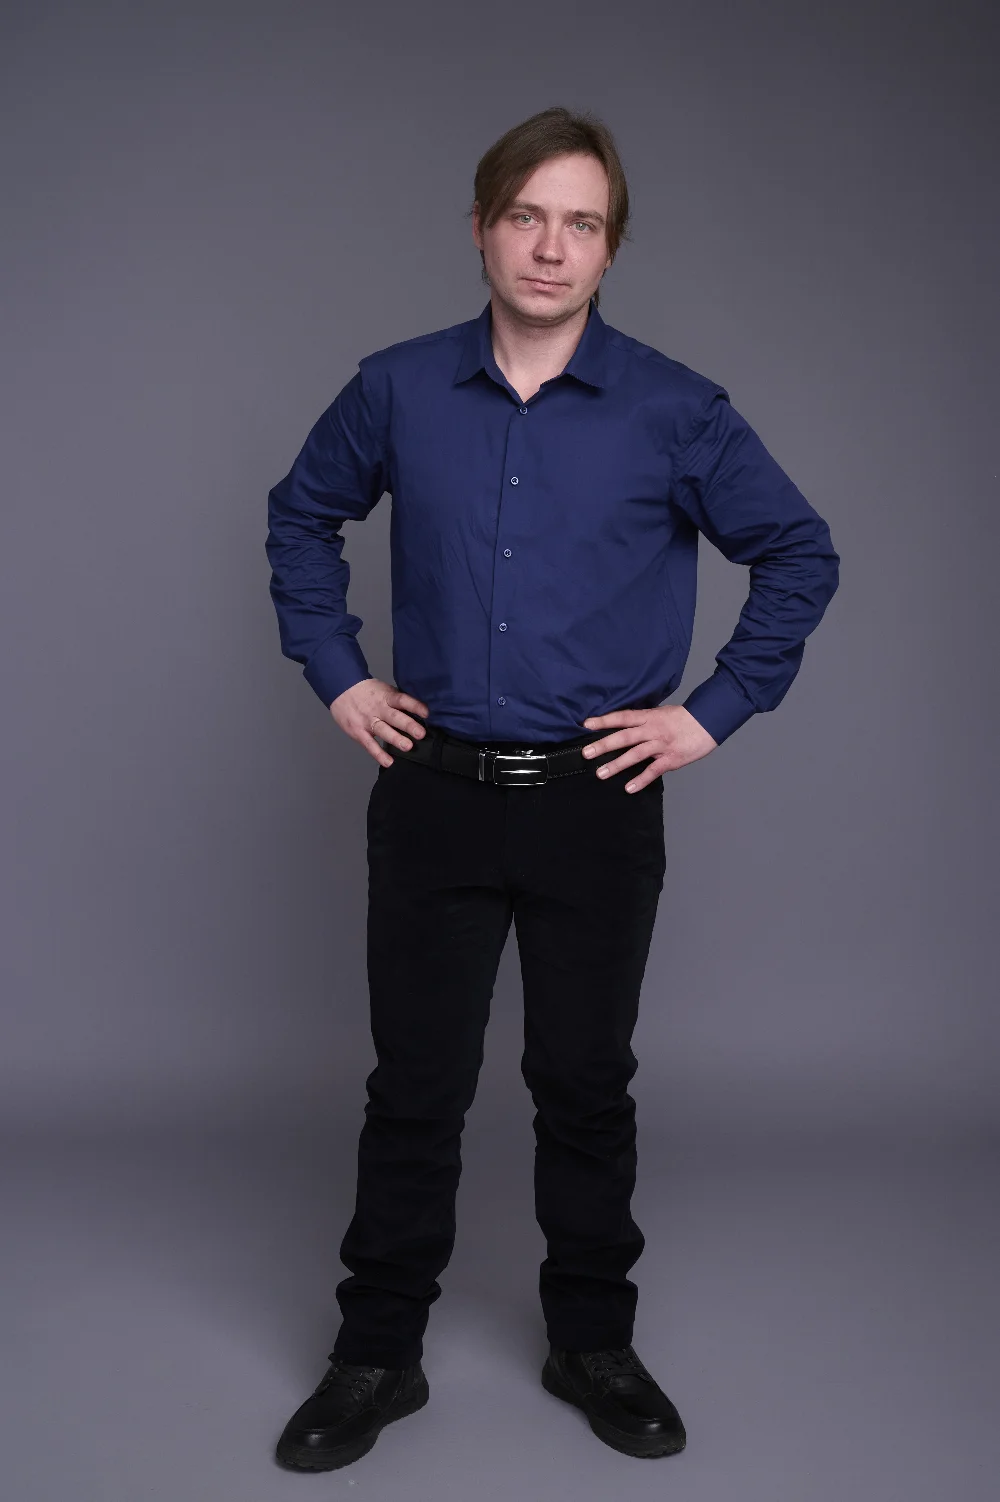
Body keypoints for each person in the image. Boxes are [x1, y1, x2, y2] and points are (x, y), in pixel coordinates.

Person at [265, 104, 840, 1472]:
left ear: (611, 247)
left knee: (585, 1081)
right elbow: (300, 515)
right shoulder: (397, 389)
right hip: (434, 790)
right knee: (417, 1084)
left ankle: (591, 1339)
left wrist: (710, 713)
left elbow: (799, 553)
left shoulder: (676, 408)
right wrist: (339, 673)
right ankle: (377, 1350)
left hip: (597, 801)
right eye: (526, 216)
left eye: (581, 223)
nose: (549, 246)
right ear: (481, 228)